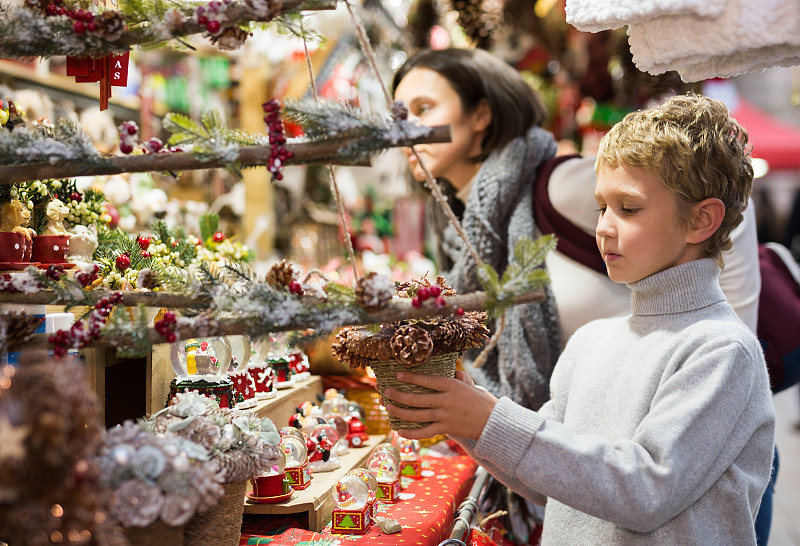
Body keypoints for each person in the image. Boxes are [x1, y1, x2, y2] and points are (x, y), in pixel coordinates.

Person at [384, 94, 776, 544]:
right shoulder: (591, 341)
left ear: (701, 220)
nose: (604, 227)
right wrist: (462, 413)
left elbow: (646, 490)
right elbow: (551, 482)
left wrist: (487, 419)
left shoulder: (724, 351)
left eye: (627, 209)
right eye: (601, 207)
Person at [393, 47, 563, 414]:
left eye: (423, 109)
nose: (407, 130)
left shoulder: (556, 186)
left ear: (481, 114)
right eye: (400, 116)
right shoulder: (451, 217)